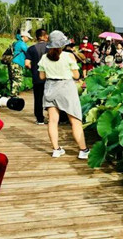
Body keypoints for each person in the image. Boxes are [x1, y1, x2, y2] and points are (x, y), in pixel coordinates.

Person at [38, 31, 89, 159]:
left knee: (52, 121)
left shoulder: (44, 58)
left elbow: (42, 76)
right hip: (66, 88)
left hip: (50, 88)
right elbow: (77, 75)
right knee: (75, 120)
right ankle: (83, 150)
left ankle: (56, 149)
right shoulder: (68, 56)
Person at [25, 29, 49, 125]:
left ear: (37, 37)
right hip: (49, 77)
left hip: (37, 77)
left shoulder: (31, 49)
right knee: (50, 98)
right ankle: (52, 117)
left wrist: (34, 69)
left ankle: (40, 119)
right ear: (44, 36)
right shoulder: (50, 48)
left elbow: (27, 63)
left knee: (38, 98)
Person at [9, 30, 31, 97]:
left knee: (13, 79)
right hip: (17, 63)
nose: (29, 39)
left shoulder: (16, 42)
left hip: (13, 62)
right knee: (18, 79)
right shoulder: (21, 43)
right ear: (24, 37)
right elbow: (28, 51)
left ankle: (13, 93)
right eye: (28, 38)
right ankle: (14, 95)